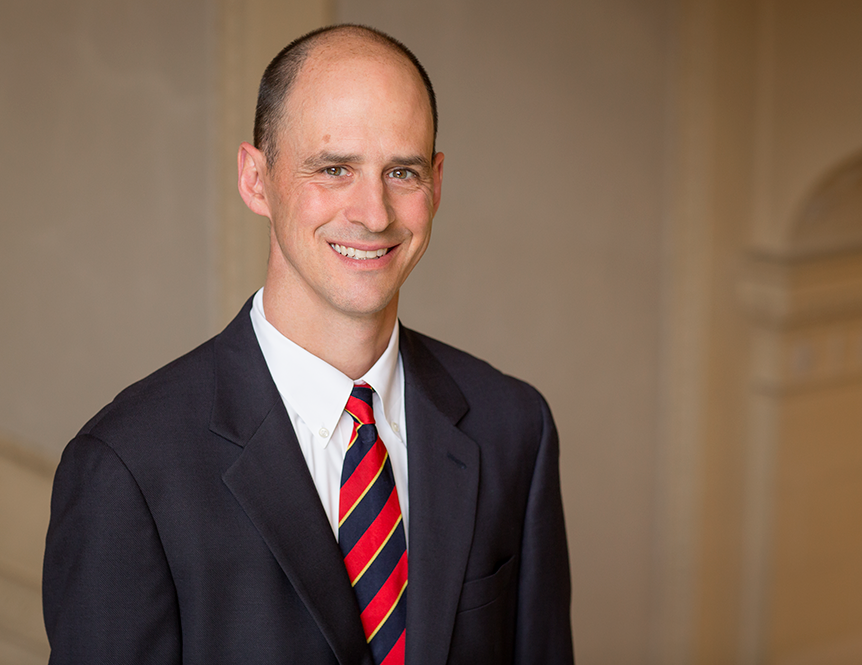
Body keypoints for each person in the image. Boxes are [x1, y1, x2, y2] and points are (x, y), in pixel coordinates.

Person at [43, 24, 573, 665]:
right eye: (334, 169)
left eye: (401, 172)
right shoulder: (127, 466)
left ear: (436, 183)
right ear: (255, 179)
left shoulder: (513, 428)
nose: (373, 213)